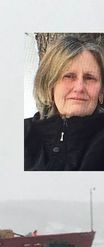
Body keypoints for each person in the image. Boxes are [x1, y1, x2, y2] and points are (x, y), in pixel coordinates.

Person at [25, 35, 104, 171]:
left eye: (89, 78)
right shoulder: (20, 134)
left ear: (101, 92)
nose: (79, 87)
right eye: (69, 76)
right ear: (49, 85)